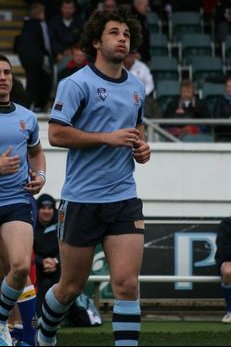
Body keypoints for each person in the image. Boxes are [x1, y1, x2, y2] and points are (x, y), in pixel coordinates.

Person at [37, 5, 151, 346]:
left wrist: (142, 148)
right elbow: (56, 135)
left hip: (123, 198)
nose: (122, 39)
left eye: (127, 34)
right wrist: (107, 138)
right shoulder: (76, 83)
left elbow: (137, 128)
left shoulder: (135, 86)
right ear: (97, 42)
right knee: (70, 287)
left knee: (127, 284)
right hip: (81, 200)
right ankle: (45, 334)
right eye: (114, 33)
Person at [0, 54, 46, 346]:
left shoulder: (27, 118)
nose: (2, 77)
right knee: (5, 273)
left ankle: (12, 328)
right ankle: (20, 334)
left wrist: (40, 175)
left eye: (6, 72)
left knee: (18, 267)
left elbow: (36, 152)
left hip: (17, 200)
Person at [18, 2, 53, 112]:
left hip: (25, 58)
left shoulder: (26, 24)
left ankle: (33, 105)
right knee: (38, 82)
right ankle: (31, 106)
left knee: (34, 81)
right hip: (37, 58)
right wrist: (50, 54)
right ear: (41, 12)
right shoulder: (41, 24)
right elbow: (46, 43)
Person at [34, 194, 60, 319]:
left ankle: (59, 317)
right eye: (43, 208)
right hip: (36, 266)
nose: (46, 211)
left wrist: (55, 261)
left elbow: (67, 247)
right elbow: (27, 250)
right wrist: (41, 261)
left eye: (50, 208)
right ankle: (37, 315)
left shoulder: (60, 225)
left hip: (57, 266)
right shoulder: (30, 225)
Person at [124, 50, 161, 118]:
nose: (130, 57)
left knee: (150, 106)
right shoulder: (118, 66)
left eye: (132, 54)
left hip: (142, 97)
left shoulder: (142, 67)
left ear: (135, 55)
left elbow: (150, 85)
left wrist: (141, 94)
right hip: (123, 96)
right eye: (128, 55)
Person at [215, 217, 231, 323]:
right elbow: (224, 250)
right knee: (228, 271)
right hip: (228, 259)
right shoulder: (227, 224)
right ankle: (230, 312)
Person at [213, 76, 231, 142]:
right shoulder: (220, 100)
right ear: (225, 88)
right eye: (228, 86)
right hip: (223, 135)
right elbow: (217, 120)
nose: (229, 89)